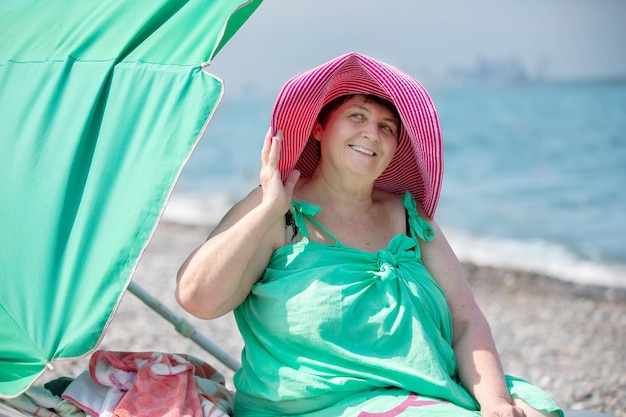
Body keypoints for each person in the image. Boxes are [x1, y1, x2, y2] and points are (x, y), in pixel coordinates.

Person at [176, 52, 562, 417]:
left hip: (424, 389)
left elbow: (466, 320)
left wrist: (494, 400)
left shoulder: (410, 217)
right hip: (315, 406)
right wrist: (267, 212)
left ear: (395, 147)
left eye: (386, 127)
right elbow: (198, 299)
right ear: (319, 127)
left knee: (536, 408)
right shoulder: (276, 208)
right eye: (356, 116)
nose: (371, 134)